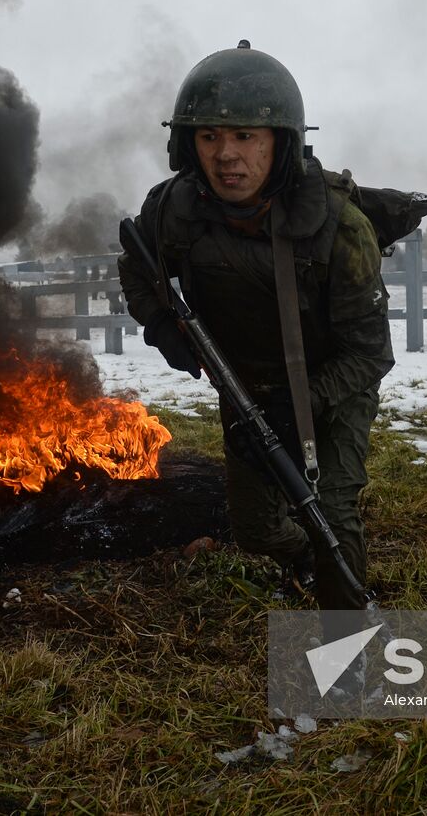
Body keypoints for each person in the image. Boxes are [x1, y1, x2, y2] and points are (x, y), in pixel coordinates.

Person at [117, 41, 395, 611]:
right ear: (187, 144)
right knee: (256, 530)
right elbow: (137, 269)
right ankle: (303, 564)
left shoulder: (339, 228)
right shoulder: (174, 208)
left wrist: (301, 406)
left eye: (246, 136)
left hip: (331, 387)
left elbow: (369, 353)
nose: (227, 155)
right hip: (245, 386)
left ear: (281, 144)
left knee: (331, 517)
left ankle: (344, 644)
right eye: (210, 136)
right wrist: (165, 330)